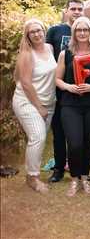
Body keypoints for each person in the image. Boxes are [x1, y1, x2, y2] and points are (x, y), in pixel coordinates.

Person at [55, 17, 90, 196]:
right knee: (75, 142)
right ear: (74, 32)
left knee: (87, 143)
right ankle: (74, 178)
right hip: (70, 104)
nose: (82, 33)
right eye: (79, 30)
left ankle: (84, 177)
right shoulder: (65, 54)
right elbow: (57, 79)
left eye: (86, 30)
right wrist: (69, 86)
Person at [12, 19, 57, 193]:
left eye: (39, 30)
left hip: (48, 102)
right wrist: (39, 107)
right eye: (32, 32)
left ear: (44, 31)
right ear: (28, 36)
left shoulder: (50, 48)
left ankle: (31, 174)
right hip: (27, 101)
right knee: (38, 136)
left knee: (38, 139)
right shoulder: (27, 54)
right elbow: (25, 83)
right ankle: (33, 178)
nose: (37, 34)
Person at [46, 0, 84, 183]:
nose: (76, 12)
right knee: (59, 131)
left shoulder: (86, 32)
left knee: (77, 132)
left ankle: (78, 168)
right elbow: (45, 57)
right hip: (58, 88)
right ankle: (59, 169)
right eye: (73, 9)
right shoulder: (55, 31)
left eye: (80, 9)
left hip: (79, 90)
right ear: (66, 11)